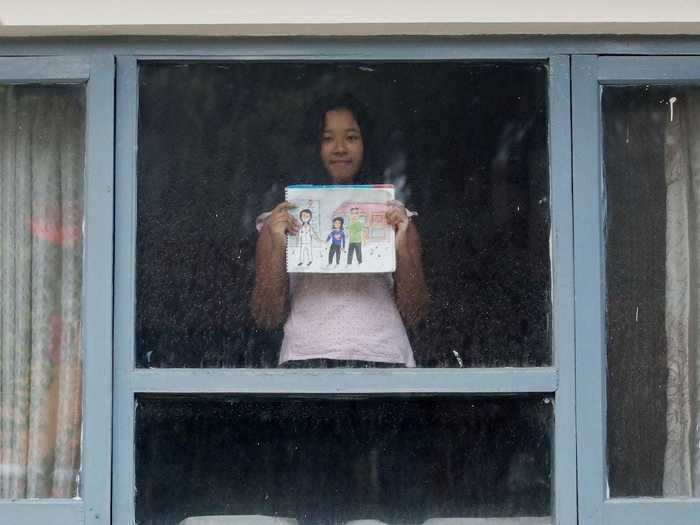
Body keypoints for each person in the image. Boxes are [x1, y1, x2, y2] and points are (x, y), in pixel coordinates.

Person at [251, 93, 429, 367]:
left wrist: (403, 246)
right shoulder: (281, 218)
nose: (340, 148)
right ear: (312, 146)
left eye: (351, 137)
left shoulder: (393, 214)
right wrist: (276, 243)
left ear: (367, 145)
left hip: (383, 357)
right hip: (305, 358)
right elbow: (267, 316)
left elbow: (415, 312)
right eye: (327, 138)